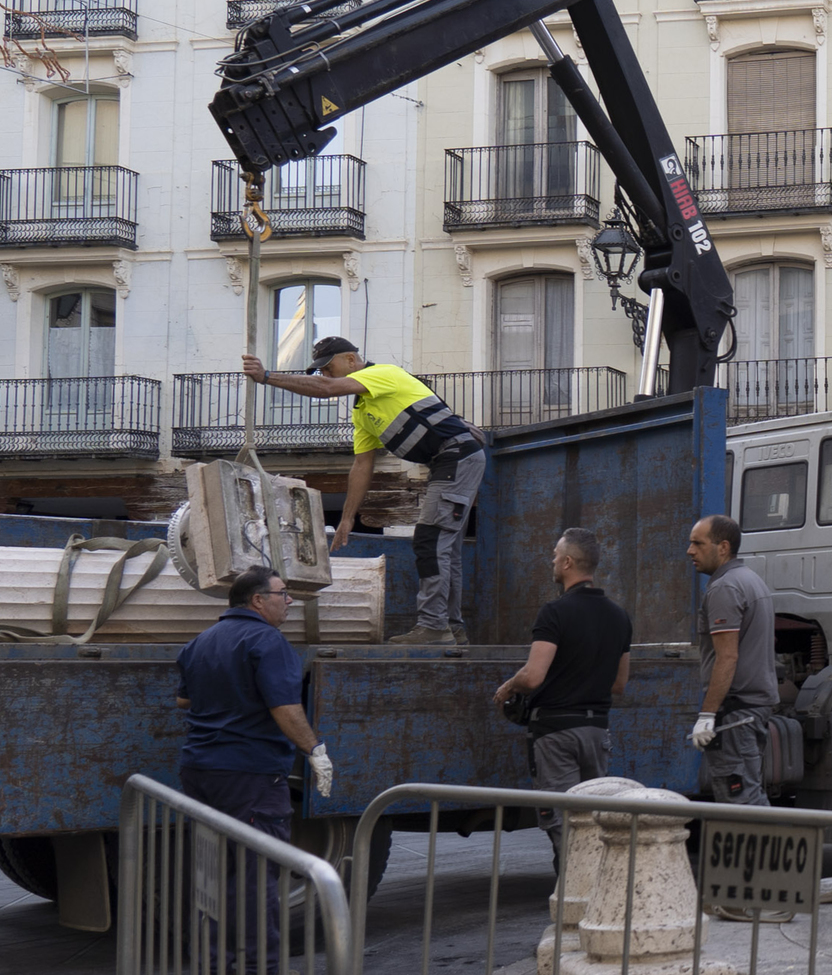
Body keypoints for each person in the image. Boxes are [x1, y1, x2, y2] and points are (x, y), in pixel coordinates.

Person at [243, 336, 485, 644]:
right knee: (443, 547)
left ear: (350, 361)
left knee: (430, 539)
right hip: (450, 460)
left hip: (456, 455)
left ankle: (435, 626)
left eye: (328, 368)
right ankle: (450, 627)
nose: (325, 376)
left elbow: (326, 390)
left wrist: (266, 377)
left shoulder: (383, 374)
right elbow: (362, 465)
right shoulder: (363, 412)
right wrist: (347, 517)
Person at [175, 565, 333, 975]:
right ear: (258, 600)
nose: (289, 602)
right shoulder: (268, 641)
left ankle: (210, 973)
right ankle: (259, 972)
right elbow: (285, 708)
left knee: (211, 873)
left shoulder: (200, 642)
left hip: (201, 770)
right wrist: (314, 751)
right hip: (250, 771)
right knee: (254, 874)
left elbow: (183, 696)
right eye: (284, 594)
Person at [493, 527, 632, 852]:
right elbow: (619, 684)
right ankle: (596, 895)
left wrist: (507, 687)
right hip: (596, 732)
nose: (552, 561)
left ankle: (571, 897)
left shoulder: (554, 613)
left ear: (568, 562)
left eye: (556, 555)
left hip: (556, 734)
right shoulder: (620, 617)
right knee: (593, 822)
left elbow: (532, 677)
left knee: (562, 828)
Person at [686, 514, 777, 805]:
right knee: (749, 795)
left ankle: (764, 851)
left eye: (698, 544)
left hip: (736, 712)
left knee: (740, 803)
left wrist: (707, 715)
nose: (690, 551)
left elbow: (727, 657)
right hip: (750, 709)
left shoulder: (725, 587)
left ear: (723, 547)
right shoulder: (751, 580)